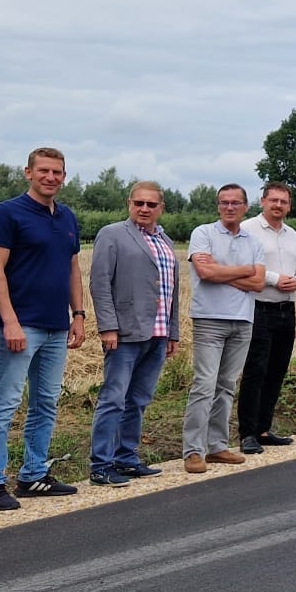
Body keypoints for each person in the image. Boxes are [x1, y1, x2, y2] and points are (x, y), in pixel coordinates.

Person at [0, 146, 86, 511]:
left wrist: (79, 314)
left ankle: (33, 475)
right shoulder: (7, 214)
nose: (51, 177)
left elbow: (72, 268)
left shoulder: (68, 217)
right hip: (21, 325)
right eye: (44, 171)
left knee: (45, 402)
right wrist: (9, 320)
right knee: (5, 403)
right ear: (28, 172)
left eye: (57, 172)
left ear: (64, 176)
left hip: (57, 325)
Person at [87, 182, 181, 486]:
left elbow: (172, 291)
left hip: (158, 332)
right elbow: (100, 283)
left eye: (151, 205)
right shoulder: (112, 234)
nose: (144, 209)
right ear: (129, 203)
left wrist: (172, 332)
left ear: (161, 208)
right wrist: (108, 326)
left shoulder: (165, 240)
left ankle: (126, 458)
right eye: (139, 203)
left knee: (139, 399)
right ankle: (101, 464)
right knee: (114, 398)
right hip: (125, 332)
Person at [183, 184, 264, 472]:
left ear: (245, 207)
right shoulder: (203, 234)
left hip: (243, 320)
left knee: (227, 385)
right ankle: (193, 450)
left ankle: (217, 446)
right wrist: (244, 269)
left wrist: (223, 272)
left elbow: (259, 283)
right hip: (209, 319)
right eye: (224, 202)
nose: (230, 207)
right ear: (218, 206)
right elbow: (205, 273)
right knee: (204, 385)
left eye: (235, 203)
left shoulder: (253, 242)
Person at [236, 181, 296, 454]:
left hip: (286, 311)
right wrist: (276, 279)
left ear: (289, 206)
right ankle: (247, 433)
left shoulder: (292, 235)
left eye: (284, 202)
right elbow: (244, 269)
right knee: (256, 371)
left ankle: (264, 428)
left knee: (277, 370)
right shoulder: (248, 231)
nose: (278, 205)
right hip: (259, 308)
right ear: (263, 201)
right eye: (273, 200)